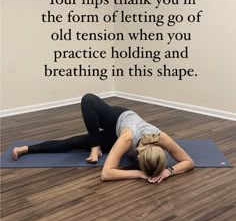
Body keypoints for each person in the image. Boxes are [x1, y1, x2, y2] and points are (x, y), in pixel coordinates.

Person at [12, 93, 194, 183]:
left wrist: (168, 171)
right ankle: (95, 145)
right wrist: (139, 174)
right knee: (88, 100)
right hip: (117, 119)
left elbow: (188, 161)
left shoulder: (162, 139)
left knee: (75, 143)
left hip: (120, 134)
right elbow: (106, 174)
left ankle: (26, 149)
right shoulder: (127, 140)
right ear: (138, 155)